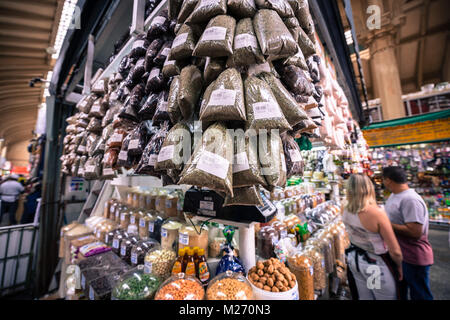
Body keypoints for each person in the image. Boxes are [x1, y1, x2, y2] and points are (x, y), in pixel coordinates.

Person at [343, 174, 403, 300]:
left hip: (355, 262)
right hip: (374, 266)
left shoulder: (345, 207)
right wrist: (399, 267)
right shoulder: (376, 213)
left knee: (365, 296)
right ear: (368, 188)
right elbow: (395, 251)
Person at [382, 166, 434, 300]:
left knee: (420, 295)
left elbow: (415, 232)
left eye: (383, 180)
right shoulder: (395, 195)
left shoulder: (411, 200)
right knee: (400, 293)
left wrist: (385, 225)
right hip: (401, 256)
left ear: (388, 180)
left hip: (413, 258)